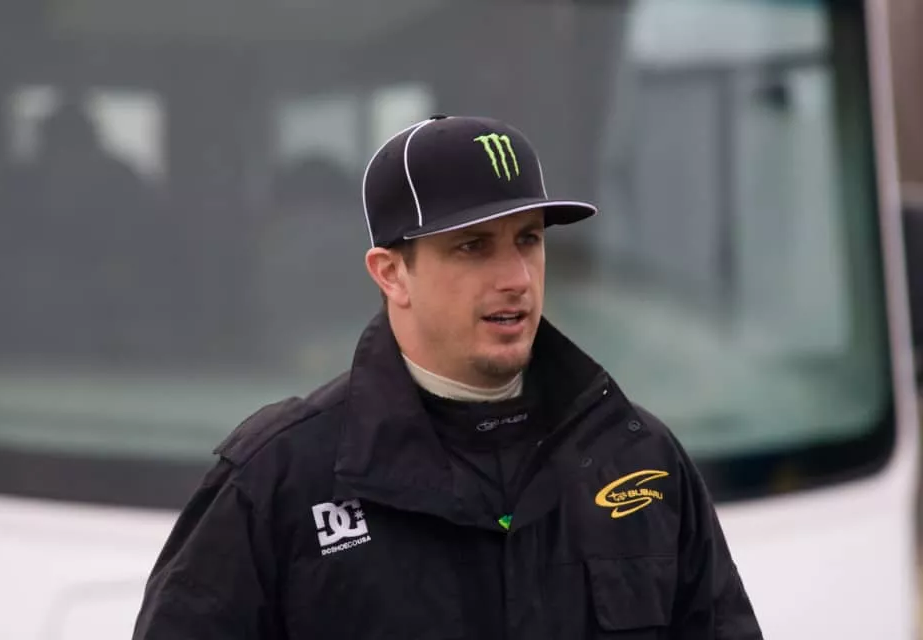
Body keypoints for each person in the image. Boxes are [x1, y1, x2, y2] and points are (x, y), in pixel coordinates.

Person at [131, 114, 764, 639]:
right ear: (391, 274)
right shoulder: (278, 481)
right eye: (473, 246)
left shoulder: (641, 460)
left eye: (528, 239)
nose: (516, 277)